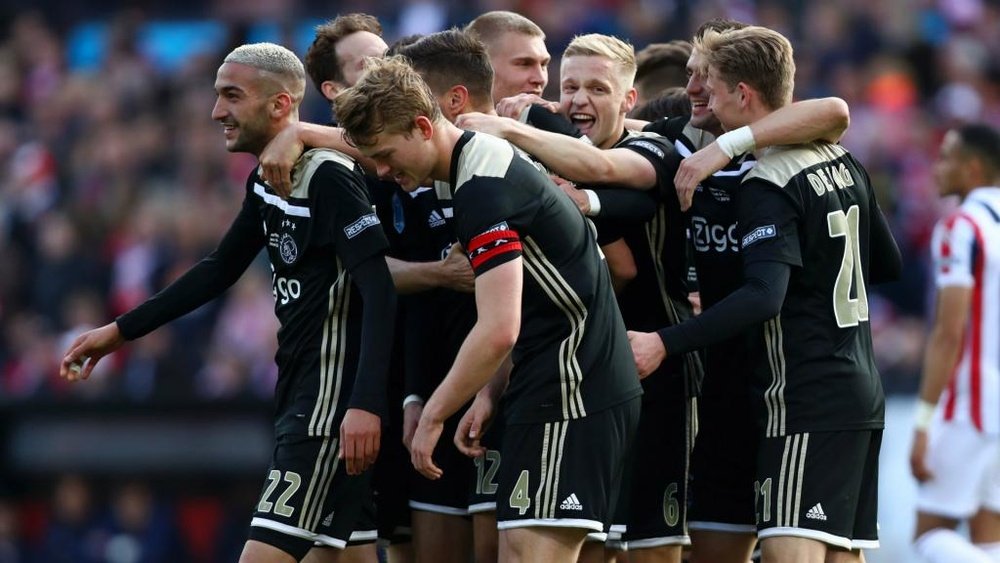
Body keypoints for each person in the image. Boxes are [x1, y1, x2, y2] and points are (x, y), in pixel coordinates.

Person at [60, 42, 396, 563]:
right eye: (218, 96)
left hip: (328, 411)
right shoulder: (267, 178)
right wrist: (119, 331)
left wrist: (365, 404)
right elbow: (219, 270)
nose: (217, 111)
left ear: (281, 105)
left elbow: (379, 289)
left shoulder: (328, 176)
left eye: (231, 96)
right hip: (301, 394)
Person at [335, 56, 642, 563]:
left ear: (422, 125)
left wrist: (433, 413)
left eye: (386, 154)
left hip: (573, 390)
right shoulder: (478, 165)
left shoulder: (482, 189)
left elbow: (500, 327)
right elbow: (531, 304)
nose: (385, 172)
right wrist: (489, 391)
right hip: (557, 385)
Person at [628, 26, 901, 563]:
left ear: (742, 92)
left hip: (798, 390)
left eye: (706, 78)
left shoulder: (767, 179)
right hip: (849, 384)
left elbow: (763, 296)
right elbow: (884, 262)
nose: (694, 89)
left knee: (785, 550)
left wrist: (666, 340)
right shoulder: (837, 158)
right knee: (836, 551)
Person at [910, 124, 1000, 563]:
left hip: (969, 407)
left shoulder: (961, 226)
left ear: (973, 168)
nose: (937, 167)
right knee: (989, 541)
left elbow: (949, 332)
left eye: (946, 157)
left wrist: (924, 422)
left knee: (928, 539)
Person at [464, 11, 551, 103]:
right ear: (478, 69)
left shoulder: (559, 115)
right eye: (524, 64)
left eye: (543, 65)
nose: (540, 79)